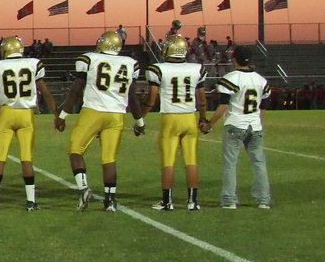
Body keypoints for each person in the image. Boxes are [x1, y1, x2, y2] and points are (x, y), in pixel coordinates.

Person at [54, 31, 144, 212]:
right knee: (109, 158)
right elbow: (132, 97)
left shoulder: (89, 59)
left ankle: (83, 188)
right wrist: (140, 122)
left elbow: (76, 89)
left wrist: (62, 115)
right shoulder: (130, 63)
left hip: (93, 111)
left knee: (75, 150)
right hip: (116, 115)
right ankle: (110, 201)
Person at [0, 36, 58, 210]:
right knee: (26, 158)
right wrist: (56, 114)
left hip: (6, 114)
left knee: (0, 159)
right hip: (26, 115)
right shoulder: (33, 64)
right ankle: (31, 202)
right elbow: (46, 92)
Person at [142, 35, 207, 211]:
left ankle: (167, 201)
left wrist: (142, 115)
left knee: (168, 161)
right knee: (191, 161)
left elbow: (152, 97)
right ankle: (192, 201)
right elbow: (201, 99)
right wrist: (203, 118)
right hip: (190, 116)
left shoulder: (158, 69)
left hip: (170, 117)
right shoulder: (196, 69)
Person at [205, 45, 271, 209]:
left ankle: (229, 200)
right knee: (259, 163)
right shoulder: (261, 80)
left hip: (235, 124)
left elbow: (223, 106)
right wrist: (257, 123)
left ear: (235, 59)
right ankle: (263, 200)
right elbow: (263, 107)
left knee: (230, 163)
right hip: (254, 125)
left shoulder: (231, 78)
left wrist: (209, 123)